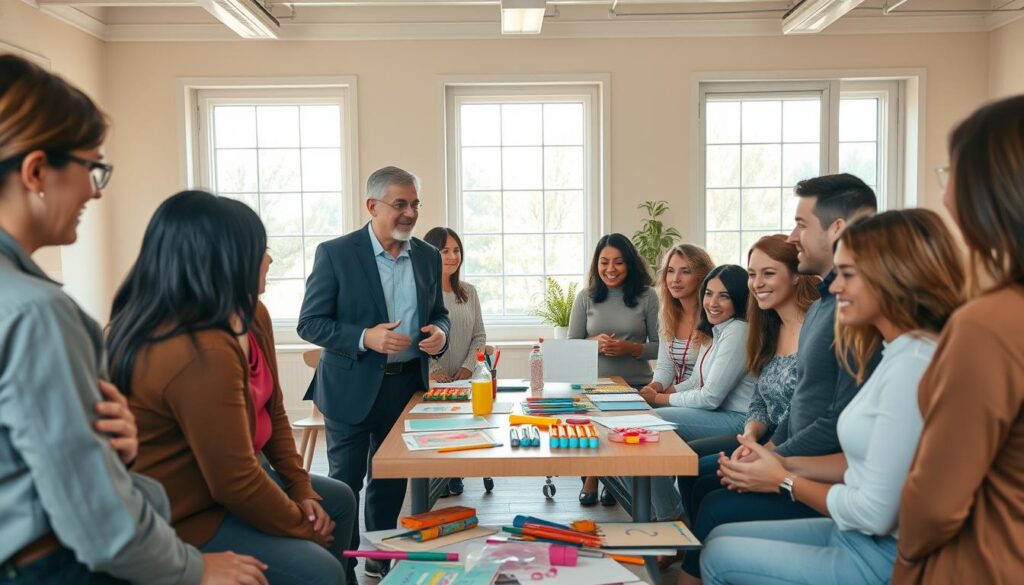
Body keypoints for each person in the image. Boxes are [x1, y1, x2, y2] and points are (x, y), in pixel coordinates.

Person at [0, 54, 265, 584]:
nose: (96, 191)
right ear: (36, 172)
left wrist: (108, 453)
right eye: (91, 168)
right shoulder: (38, 313)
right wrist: (193, 569)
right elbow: (99, 521)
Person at [698, 208, 965, 585]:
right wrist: (777, 464)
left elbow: (874, 512)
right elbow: (865, 464)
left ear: (896, 277)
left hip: (882, 553)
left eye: (848, 275)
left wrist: (784, 479)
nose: (835, 287)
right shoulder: (896, 351)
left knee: (720, 554)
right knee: (720, 537)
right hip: (854, 532)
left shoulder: (914, 364)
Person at [106, 191, 357, 585]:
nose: (270, 259)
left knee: (335, 499)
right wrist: (300, 526)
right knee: (318, 567)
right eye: (260, 249)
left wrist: (301, 489)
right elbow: (234, 481)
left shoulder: (252, 314)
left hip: (227, 486)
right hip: (187, 515)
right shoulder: (196, 347)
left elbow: (273, 412)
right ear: (222, 260)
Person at [679, 173, 878, 582]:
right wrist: (765, 448)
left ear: (836, 228)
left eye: (801, 224)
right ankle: (688, 560)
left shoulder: (844, 315)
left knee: (713, 500)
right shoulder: (816, 312)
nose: (793, 236)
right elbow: (797, 405)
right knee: (701, 481)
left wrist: (777, 461)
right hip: (796, 457)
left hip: (816, 473)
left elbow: (833, 420)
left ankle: (692, 566)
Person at [894, 95, 1024, 584]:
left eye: (950, 175)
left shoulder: (988, 325)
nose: (945, 198)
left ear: (989, 191)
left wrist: (905, 560)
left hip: (984, 560)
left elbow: (935, 504)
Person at [298, 166, 450, 579]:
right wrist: (366, 337)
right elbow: (309, 323)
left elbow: (438, 313)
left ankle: (378, 563)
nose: (410, 213)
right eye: (400, 204)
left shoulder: (428, 256)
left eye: (415, 204)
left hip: (406, 388)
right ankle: (340, 571)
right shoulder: (336, 253)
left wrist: (440, 332)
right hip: (348, 387)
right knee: (345, 486)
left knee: (389, 481)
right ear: (372, 206)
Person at [674, 235, 819, 522]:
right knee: (691, 469)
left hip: (793, 443)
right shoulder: (768, 328)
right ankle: (689, 545)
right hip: (762, 434)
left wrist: (764, 450)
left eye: (768, 273)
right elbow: (760, 399)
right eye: (752, 274)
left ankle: (698, 555)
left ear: (796, 276)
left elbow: (804, 407)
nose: (757, 283)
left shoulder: (814, 327)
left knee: (708, 487)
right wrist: (751, 436)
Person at [637, 264, 754, 521]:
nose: (713, 302)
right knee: (634, 422)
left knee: (646, 428)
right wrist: (652, 397)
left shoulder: (738, 331)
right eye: (709, 294)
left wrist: (660, 400)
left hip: (737, 419)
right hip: (718, 414)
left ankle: (671, 515)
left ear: (739, 298)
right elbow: (694, 381)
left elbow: (710, 396)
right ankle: (663, 511)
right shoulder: (716, 330)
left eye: (724, 296)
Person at [569, 233, 660, 506]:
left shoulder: (648, 297)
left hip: (635, 384)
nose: (610, 269)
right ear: (596, 264)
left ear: (630, 263)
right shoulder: (585, 297)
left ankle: (615, 478)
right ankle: (594, 477)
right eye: (604, 262)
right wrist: (592, 344)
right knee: (595, 428)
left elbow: (659, 347)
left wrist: (630, 349)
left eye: (618, 262)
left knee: (625, 435)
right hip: (592, 385)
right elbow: (570, 345)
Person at [423, 226, 487, 498]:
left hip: (464, 378)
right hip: (432, 380)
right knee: (437, 426)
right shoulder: (422, 293)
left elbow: (480, 336)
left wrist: (468, 366)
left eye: (456, 250)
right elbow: (417, 337)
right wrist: (435, 370)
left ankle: (455, 473)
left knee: (463, 423)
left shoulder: (469, 292)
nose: (452, 256)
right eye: (444, 250)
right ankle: (438, 474)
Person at [642, 244, 716, 399]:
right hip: (676, 397)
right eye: (670, 271)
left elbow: (700, 379)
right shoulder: (667, 315)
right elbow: (665, 367)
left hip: (699, 399)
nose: (675, 279)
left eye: (686, 271)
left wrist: (661, 395)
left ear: (702, 276)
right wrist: (653, 387)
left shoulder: (713, 316)